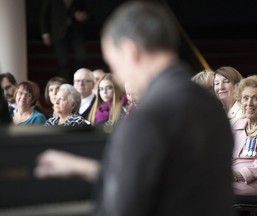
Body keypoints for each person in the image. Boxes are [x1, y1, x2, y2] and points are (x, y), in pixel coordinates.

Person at [35, 2, 234, 216]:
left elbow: (121, 209)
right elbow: (173, 181)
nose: (118, 76)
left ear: (131, 50)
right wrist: (86, 169)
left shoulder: (147, 116)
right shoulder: (210, 104)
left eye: (113, 63)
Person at [40, 0, 89, 81]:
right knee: (62, 62)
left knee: (81, 57)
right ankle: (65, 83)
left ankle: (74, 77)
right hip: (58, 31)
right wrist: (45, 33)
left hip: (76, 31)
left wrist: (83, 15)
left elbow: (87, 12)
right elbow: (44, 14)